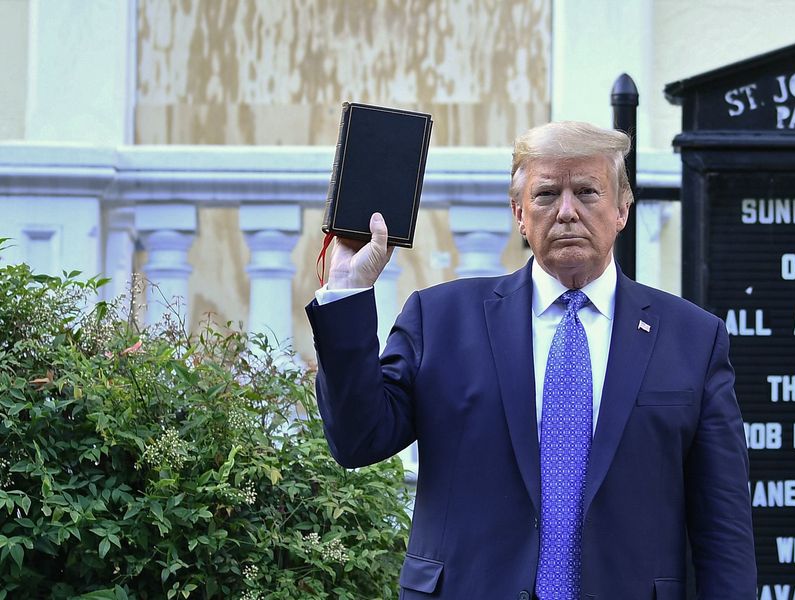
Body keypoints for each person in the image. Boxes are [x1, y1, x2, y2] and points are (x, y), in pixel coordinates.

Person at [306, 121, 755, 599]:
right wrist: (348, 293)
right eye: (546, 195)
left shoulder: (692, 338)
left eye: (586, 192)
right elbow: (357, 439)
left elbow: (723, 528)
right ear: (519, 213)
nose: (566, 212)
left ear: (622, 209)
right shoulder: (441, 320)